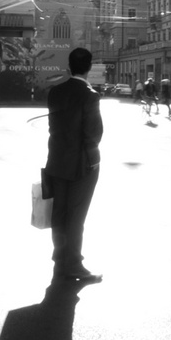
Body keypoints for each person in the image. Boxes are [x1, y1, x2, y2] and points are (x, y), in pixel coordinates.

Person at [44, 47, 104, 284]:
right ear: (89, 68)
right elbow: (94, 134)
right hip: (81, 164)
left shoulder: (55, 92)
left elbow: (53, 126)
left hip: (56, 159)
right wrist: (93, 161)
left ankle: (60, 259)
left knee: (59, 213)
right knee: (76, 216)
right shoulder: (90, 95)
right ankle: (74, 264)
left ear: (69, 67)